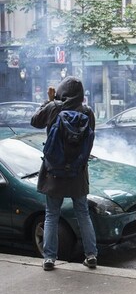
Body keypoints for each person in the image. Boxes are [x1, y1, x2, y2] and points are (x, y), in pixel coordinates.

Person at [30, 76, 98, 271]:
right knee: (83, 213)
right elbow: (89, 139)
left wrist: (49, 101)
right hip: (78, 172)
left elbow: (35, 121)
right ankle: (91, 255)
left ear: (62, 92)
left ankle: (49, 258)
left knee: (51, 214)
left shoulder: (54, 108)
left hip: (54, 173)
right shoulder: (87, 112)